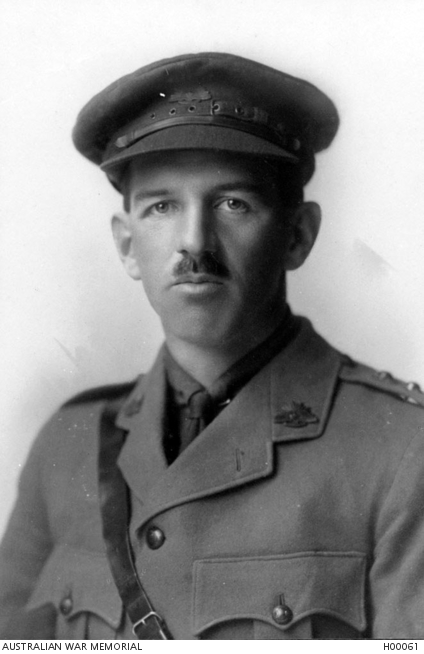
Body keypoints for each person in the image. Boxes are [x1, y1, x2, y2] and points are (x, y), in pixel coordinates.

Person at [1, 51, 424, 641]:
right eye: (162, 207)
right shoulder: (67, 447)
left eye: (233, 204)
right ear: (126, 245)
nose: (195, 242)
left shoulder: (402, 452)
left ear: (298, 235)